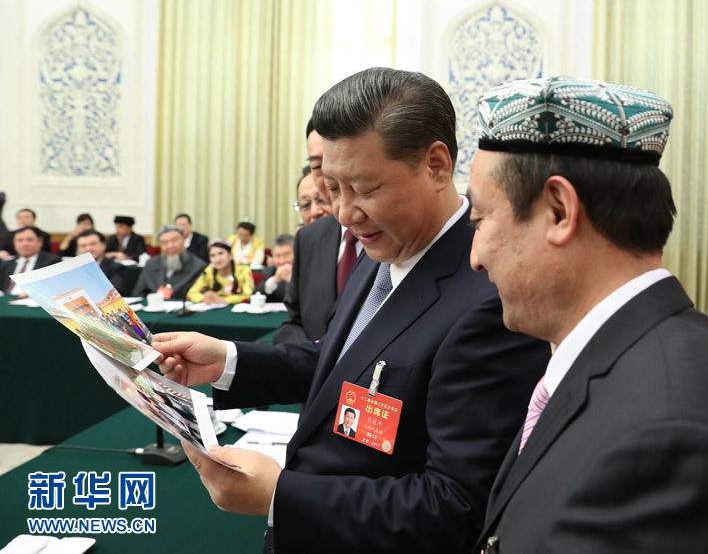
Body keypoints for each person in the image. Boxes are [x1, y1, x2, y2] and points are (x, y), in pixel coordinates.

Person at [152, 67, 549, 554]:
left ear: (436, 165)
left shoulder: (489, 298)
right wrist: (229, 361)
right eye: (332, 189)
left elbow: (456, 506)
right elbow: (347, 364)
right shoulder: (382, 245)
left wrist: (281, 496)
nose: (343, 214)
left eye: (364, 188)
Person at [466, 77, 708, 554]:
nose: (475, 257)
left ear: (559, 211)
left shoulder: (668, 445)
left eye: (480, 220)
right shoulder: (627, 355)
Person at [273, 121, 360, 344]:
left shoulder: (392, 233)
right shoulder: (308, 238)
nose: (331, 176)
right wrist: (313, 353)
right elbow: (293, 323)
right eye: (318, 166)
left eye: (337, 161)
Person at [134, 225, 206, 298]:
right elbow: (138, 293)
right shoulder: (151, 263)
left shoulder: (198, 266)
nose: (170, 246)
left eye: (174, 241)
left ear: (184, 240)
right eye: (165, 243)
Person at [187, 240, 253, 305]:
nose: (217, 259)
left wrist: (224, 300)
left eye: (221, 253)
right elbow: (191, 293)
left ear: (230, 255)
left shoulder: (243, 270)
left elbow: (249, 295)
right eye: (213, 256)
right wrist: (204, 298)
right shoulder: (209, 271)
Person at [0, 227, 62, 295]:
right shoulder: (7, 263)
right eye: (20, 240)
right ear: (14, 243)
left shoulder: (52, 262)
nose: (25, 244)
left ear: (40, 241)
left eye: (30, 240)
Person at [76, 229, 127, 295]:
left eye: (93, 244)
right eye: (83, 246)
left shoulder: (116, 268)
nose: (88, 249)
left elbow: (117, 290)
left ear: (103, 245)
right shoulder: (74, 269)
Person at [255, 234, 294, 303]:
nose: (282, 261)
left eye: (286, 255)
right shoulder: (270, 272)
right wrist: (273, 281)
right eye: (278, 256)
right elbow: (255, 296)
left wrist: (292, 280)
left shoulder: (308, 271)